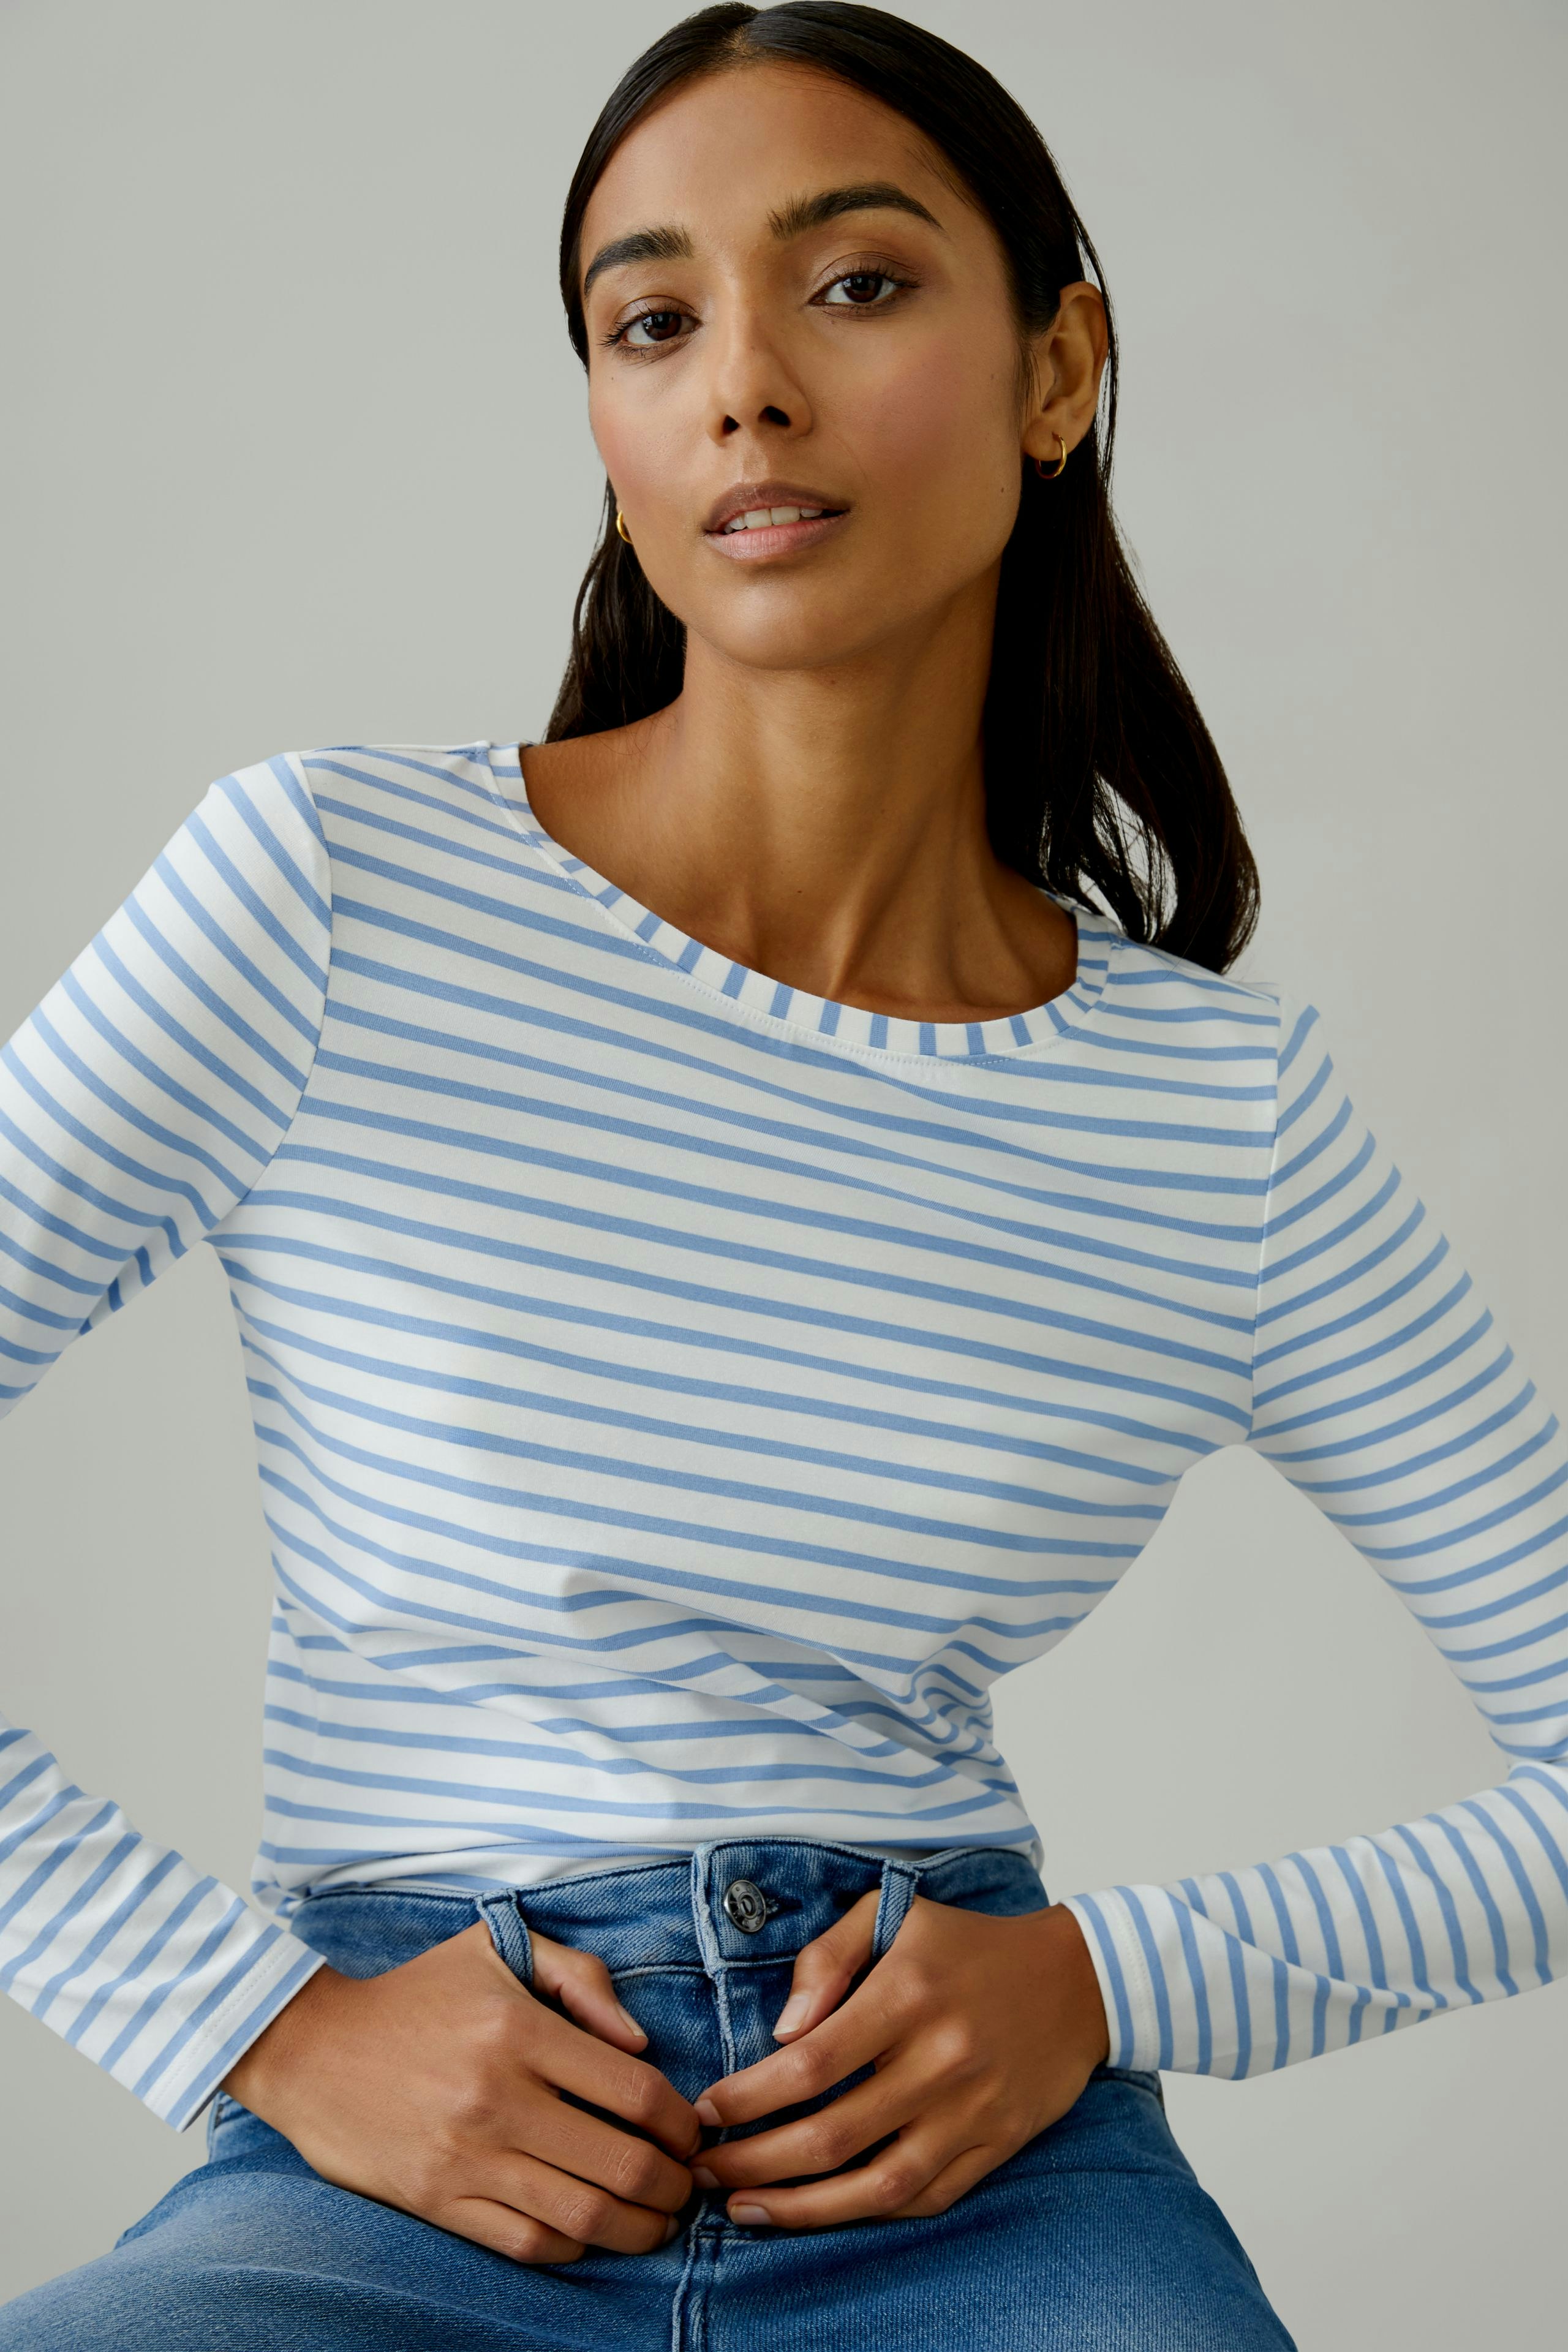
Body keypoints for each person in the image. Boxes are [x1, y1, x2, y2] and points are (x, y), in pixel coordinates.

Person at [1, 4, 1562, 2345]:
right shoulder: (333, 888)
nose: (743, 384)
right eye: (653, 323)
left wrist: (1106, 1982)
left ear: (1058, 371)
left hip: (979, 2179)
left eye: (853, 284)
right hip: (404, 2153)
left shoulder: (1213, 1111)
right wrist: (259, 2025)